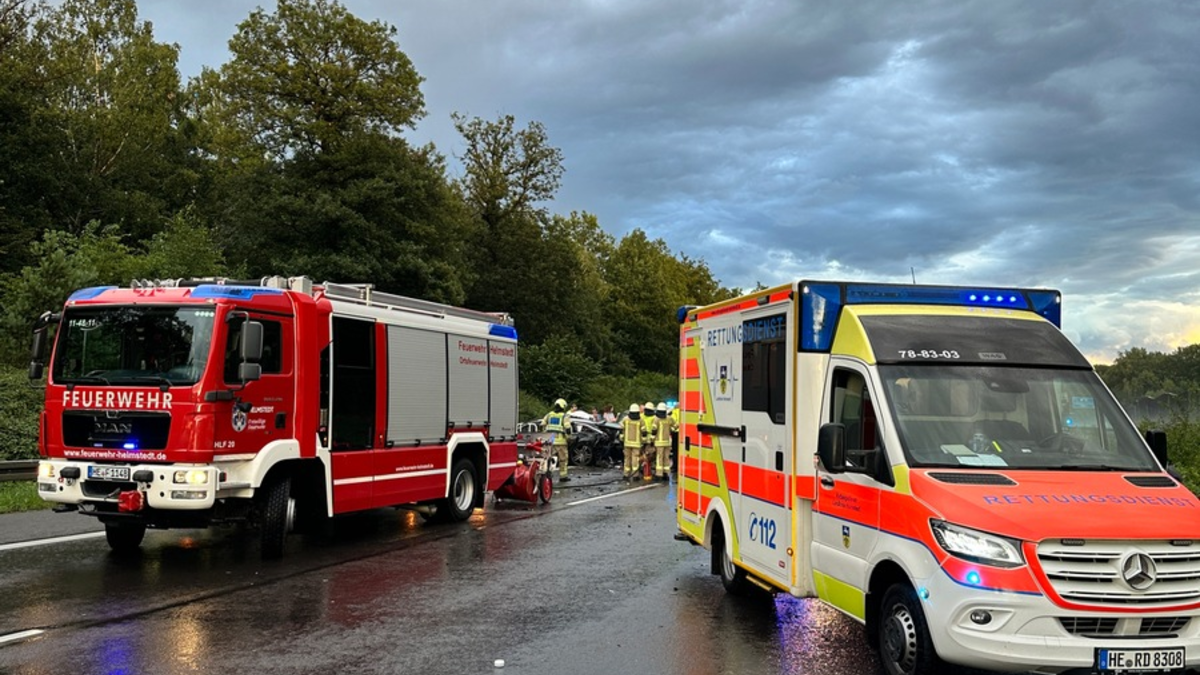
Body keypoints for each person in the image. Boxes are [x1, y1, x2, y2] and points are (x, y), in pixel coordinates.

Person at [542, 398, 571, 482]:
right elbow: (568, 428)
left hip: (551, 440)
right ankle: (563, 477)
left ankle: (547, 475)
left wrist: (545, 435)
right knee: (563, 459)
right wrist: (569, 438)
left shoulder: (549, 414)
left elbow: (543, 424)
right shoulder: (565, 416)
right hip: (561, 441)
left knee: (548, 458)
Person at [653, 402, 677, 481]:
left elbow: (654, 431)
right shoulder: (669, 418)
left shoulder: (656, 419)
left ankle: (659, 474)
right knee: (666, 458)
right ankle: (666, 474)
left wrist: (651, 440)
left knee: (659, 458)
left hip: (659, 442)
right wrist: (671, 430)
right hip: (667, 442)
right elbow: (676, 425)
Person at [621, 403, 644, 481]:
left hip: (627, 443)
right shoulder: (641, 420)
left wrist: (622, 439)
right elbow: (644, 431)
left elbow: (621, 429)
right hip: (636, 444)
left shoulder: (625, 419)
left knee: (627, 459)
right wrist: (643, 441)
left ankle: (626, 474)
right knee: (635, 459)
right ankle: (635, 475)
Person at [640, 401, 657, 481]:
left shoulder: (641, 416)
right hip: (650, 438)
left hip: (643, 438)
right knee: (650, 455)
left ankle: (645, 469)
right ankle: (648, 469)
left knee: (645, 455)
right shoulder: (654, 417)